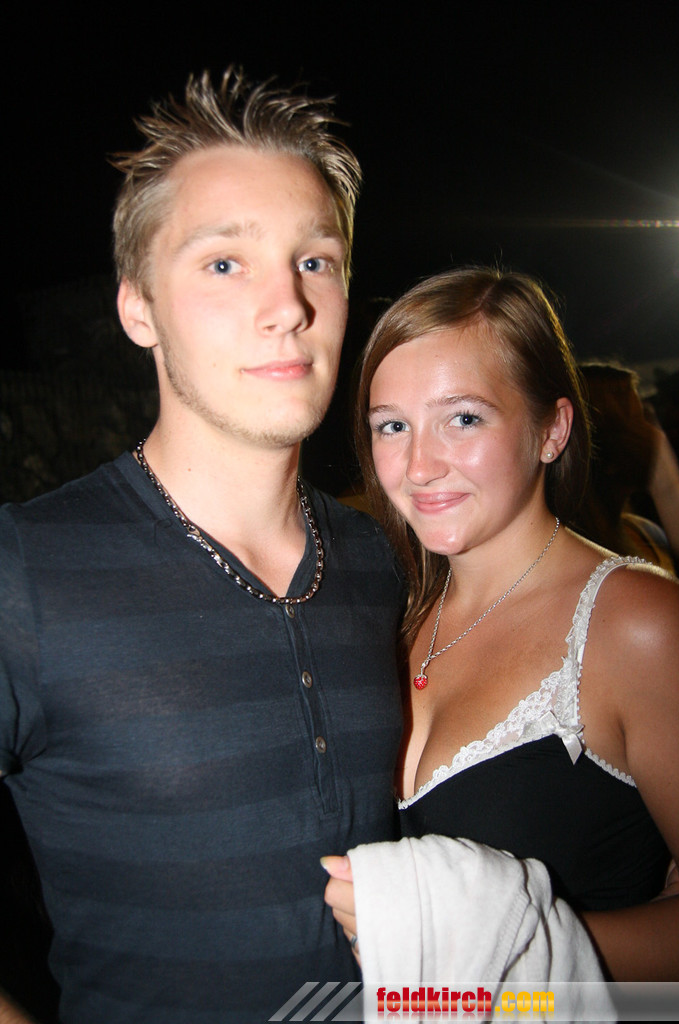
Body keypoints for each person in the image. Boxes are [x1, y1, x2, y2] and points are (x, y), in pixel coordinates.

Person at [0, 69, 404, 1024]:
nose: (287, 305)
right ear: (137, 309)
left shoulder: (383, 560)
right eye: (224, 263)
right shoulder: (27, 571)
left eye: (315, 260)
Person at [324, 267, 679, 983]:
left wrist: (500, 942)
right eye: (392, 426)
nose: (419, 467)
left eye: (463, 418)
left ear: (551, 429)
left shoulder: (636, 624)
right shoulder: (387, 614)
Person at [573, 360, 679, 574]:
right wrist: (665, 482)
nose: (655, 433)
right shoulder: (583, 556)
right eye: (640, 419)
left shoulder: (645, 532)